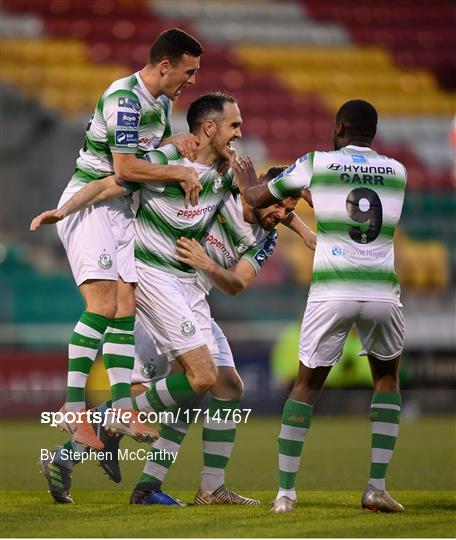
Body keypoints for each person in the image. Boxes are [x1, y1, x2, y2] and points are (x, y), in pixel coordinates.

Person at [36, 164, 315, 505]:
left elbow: (239, 282)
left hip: (193, 299)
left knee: (224, 386)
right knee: (196, 380)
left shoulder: (266, 236)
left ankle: (194, 486)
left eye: (289, 212)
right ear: (260, 190)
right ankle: (102, 443)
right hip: (158, 288)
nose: (282, 215)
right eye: (279, 206)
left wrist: (298, 230)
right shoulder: (222, 193)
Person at [32, 28, 204, 450]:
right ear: (165, 66)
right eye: (189, 70)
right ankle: (73, 410)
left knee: (125, 305)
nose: (193, 80)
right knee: (104, 305)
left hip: (120, 209)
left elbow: (142, 154)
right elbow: (126, 168)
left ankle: (122, 407)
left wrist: (171, 143)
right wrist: (178, 169)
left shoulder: (161, 103)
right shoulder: (123, 100)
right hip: (91, 204)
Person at [235, 99, 407, 513]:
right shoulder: (398, 171)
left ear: (339, 127)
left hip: (333, 289)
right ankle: (376, 488)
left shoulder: (318, 162)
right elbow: (357, 208)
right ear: (374, 133)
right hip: (383, 290)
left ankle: (285, 495)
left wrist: (245, 179)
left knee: (306, 385)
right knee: (386, 380)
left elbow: (260, 198)